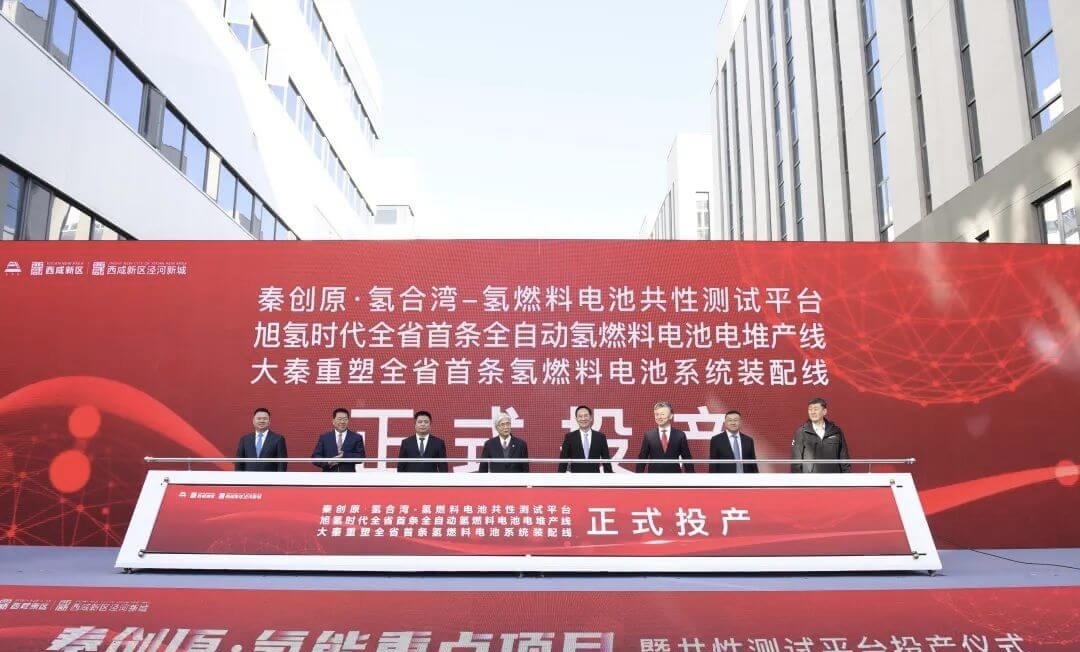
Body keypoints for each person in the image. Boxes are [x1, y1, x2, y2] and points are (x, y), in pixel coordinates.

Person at [791, 397, 851, 473]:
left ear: (824, 411)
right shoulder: (801, 432)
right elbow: (796, 462)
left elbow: (844, 458)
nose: (812, 412)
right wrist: (798, 479)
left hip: (833, 478)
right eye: (810, 409)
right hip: (810, 479)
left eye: (816, 409)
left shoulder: (836, 431)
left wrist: (846, 476)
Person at [636, 401, 694, 473]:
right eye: (657, 414)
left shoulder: (680, 435)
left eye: (662, 414)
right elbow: (642, 458)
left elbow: (687, 458)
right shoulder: (649, 435)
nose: (659, 417)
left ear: (671, 416)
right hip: (654, 476)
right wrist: (638, 475)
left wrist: (691, 476)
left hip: (674, 475)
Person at [558, 405, 613, 473]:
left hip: (595, 477)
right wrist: (560, 477)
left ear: (591, 418)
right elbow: (563, 461)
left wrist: (610, 477)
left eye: (586, 416)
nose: (583, 419)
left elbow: (606, 461)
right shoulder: (569, 437)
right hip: (575, 477)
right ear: (576, 419)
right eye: (580, 416)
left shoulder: (600, 437)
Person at [312, 408, 366, 472]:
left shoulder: (356, 437)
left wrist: (344, 455)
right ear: (333, 421)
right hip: (328, 475)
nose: (342, 422)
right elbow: (315, 457)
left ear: (348, 421)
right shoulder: (325, 438)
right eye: (339, 419)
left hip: (348, 476)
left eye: (345, 419)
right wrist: (328, 462)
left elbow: (361, 457)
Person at [235, 407, 288, 472]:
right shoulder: (245, 439)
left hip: (270, 477)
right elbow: (239, 462)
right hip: (249, 477)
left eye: (265, 419)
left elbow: (282, 463)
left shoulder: (278, 439)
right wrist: (239, 476)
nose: (262, 421)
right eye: (259, 418)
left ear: (269, 421)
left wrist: (280, 477)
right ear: (253, 421)